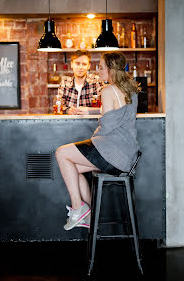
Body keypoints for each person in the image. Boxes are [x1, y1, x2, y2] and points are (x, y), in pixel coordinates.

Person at [55, 51, 140, 231]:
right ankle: (89, 215)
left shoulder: (108, 90)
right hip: (126, 155)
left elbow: (107, 126)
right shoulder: (130, 90)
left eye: (101, 67)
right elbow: (113, 113)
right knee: (72, 169)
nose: (98, 70)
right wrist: (88, 111)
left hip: (111, 152)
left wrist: (93, 140)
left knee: (61, 153)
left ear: (110, 69)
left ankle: (79, 209)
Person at [58, 50, 104, 115]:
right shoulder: (65, 83)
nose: (80, 67)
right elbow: (58, 106)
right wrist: (68, 110)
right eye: (77, 63)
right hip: (69, 123)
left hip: (92, 123)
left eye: (84, 64)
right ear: (71, 64)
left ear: (89, 66)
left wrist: (88, 110)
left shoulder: (96, 81)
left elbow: (105, 107)